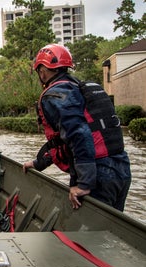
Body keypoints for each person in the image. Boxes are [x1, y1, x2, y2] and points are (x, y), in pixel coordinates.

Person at [23, 44, 131, 211]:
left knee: (88, 235)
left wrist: (84, 183)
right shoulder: (78, 88)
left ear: (43, 70)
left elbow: (78, 134)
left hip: (98, 174)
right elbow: (62, 140)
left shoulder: (55, 94)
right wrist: (39, 163)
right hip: (121, 170)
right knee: (111, 233)